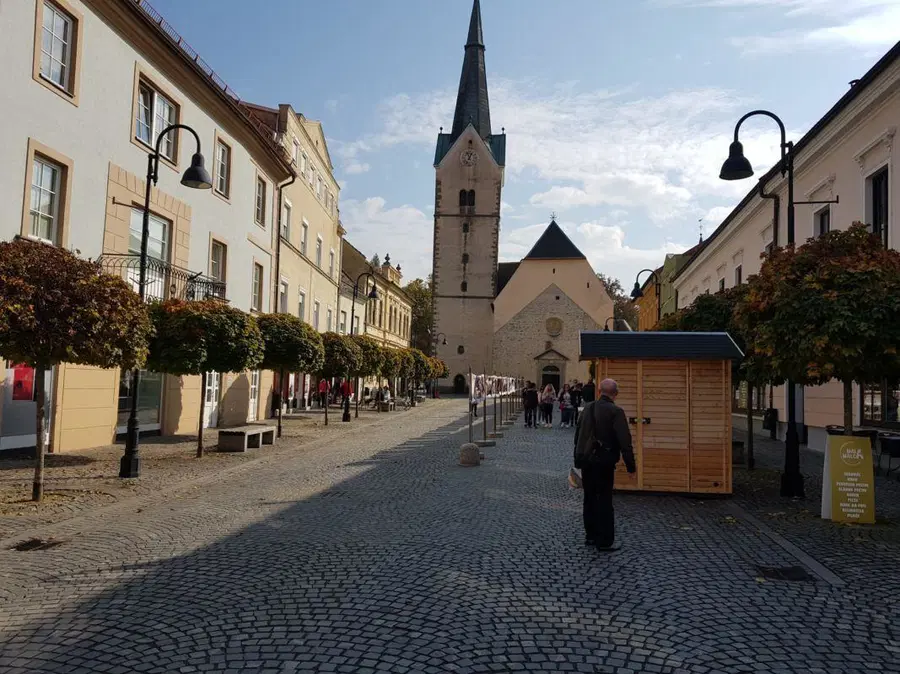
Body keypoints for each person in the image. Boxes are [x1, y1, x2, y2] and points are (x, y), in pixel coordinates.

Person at [573, 378, 636, 551]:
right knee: (605, 500)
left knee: (589, 498)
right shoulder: (616, 411)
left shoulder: (587, 408)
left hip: (586, 461)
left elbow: (578, 435)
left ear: (599, 391)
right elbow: (625, 441)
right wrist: (631, 466)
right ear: (615, 394)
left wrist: (578, 458)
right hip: (604, 461)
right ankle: (605, 540)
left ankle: (590, 536)